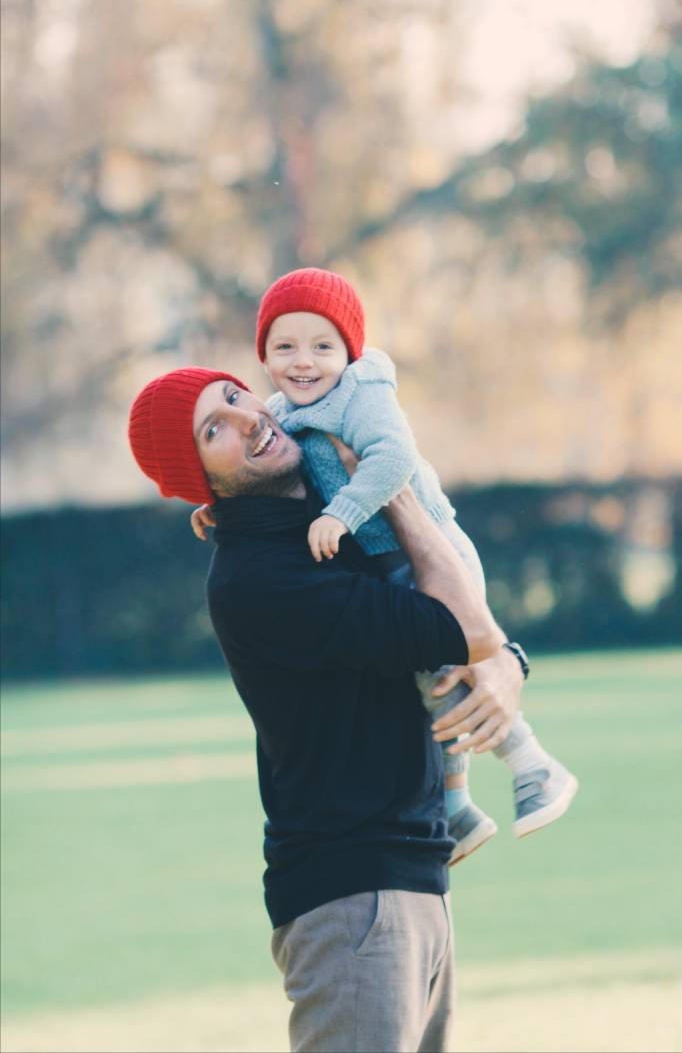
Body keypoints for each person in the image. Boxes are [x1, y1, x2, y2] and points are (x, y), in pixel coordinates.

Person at [128, 366, 525, 1053]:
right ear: (199, 480)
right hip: (353, 905)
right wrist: (391, 482)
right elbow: (467, 628)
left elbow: (471, 638)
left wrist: (508, 667)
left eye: (231, 396)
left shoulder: (323, 513)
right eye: (213, 430)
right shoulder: (262, 577)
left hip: (414, 879)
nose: (247, 417)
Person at [192, 268, 578, 862]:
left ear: (349, 349)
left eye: (323, 347)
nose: (304, 362)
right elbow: (269, 475)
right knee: (432, 678)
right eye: (285, 347)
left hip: (429, 546)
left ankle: (533, 766)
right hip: (383, 555)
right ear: (263, 356)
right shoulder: (282, 413)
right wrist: (216, 507)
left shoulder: (361, 394)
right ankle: (457, 807)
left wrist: (343, 514)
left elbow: (393, 455)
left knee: (445, 671)